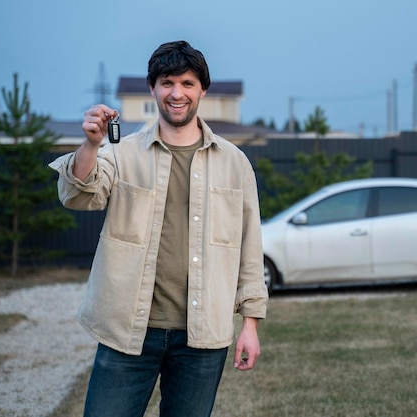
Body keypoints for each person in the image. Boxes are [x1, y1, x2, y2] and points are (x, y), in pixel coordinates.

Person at [49, 40, 268, 417]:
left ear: (202, 90)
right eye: (167, 82)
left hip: (202, 337)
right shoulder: (121, 152)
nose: (176, 93)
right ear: (153, 89)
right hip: (127, 332)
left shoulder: (235, 163)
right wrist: (90, 144)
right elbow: (79, 195)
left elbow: (249, 249)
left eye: (187, 83)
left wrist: (250, 324)